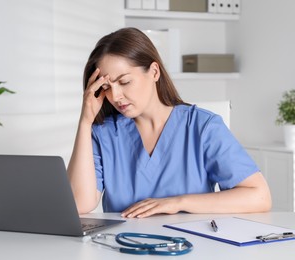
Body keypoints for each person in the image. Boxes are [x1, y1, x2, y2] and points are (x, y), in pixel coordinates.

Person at [67, 27, 271, 218]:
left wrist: (177, 203)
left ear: (154, 72)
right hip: (124, 249)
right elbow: (78, 204)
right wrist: (85, 122)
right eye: (106, 87)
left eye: (124, 82)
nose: (116, 95)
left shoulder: (202, 126)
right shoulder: (103, 134)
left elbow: (259, 196)